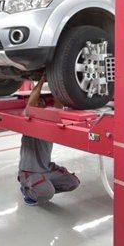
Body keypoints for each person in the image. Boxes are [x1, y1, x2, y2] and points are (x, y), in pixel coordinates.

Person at [18, 75, 80, 205]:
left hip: (47, 169)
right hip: (30, 171)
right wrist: (41, 80)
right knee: (48, 193)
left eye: (42, 102)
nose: (41, 103)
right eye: (38, 101)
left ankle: (41, 187)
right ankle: (28, 189)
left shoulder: (49, 119)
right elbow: (32, 103)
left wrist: (55, 79)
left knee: (73, 183)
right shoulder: (28, 119)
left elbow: (58, 104)